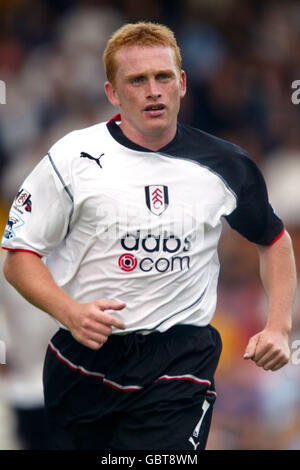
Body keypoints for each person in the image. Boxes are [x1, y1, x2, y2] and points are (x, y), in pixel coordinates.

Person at [1, 22, 297, 450]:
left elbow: (274, 241)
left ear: (182, 83)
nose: (153, 90)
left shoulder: (227, 165)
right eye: (137, 80)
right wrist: (70, 312)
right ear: (113, 93)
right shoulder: (71, 158)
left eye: (162, 77)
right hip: (85, 357)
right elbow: (19, 257)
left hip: (180, 361)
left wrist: (277, 326)